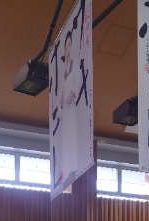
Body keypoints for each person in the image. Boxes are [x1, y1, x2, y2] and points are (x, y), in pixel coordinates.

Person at [59, 30, 78, 189]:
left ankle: (72, 170)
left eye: (69, 45)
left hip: (72, 110)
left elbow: (76, 85)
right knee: (65, 141)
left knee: (72, 139)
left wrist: (71, 94)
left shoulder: (74, 65)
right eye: (65, 46)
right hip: (65, 112)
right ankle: (66, 173)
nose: (67, 49)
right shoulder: (63, 70)